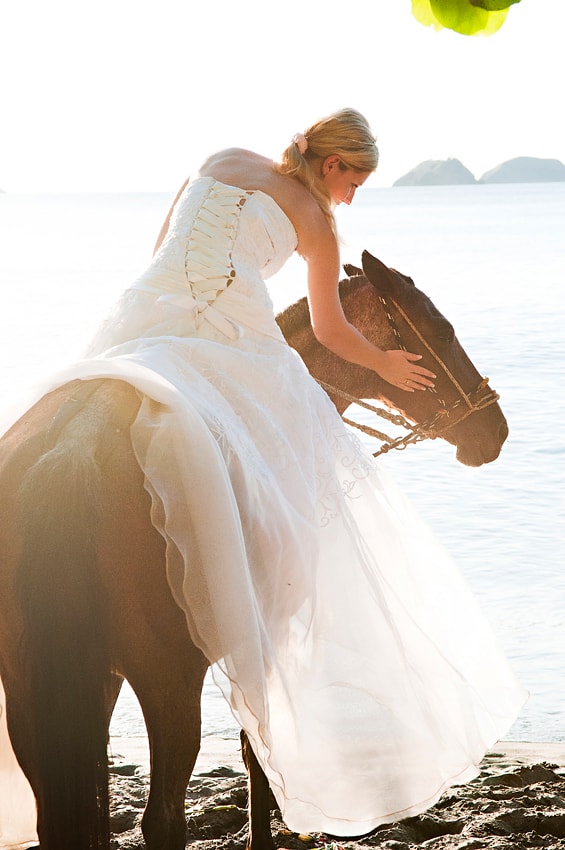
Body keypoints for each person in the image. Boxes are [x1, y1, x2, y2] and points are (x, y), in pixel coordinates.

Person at [0, 108, 526, 846]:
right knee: (295, 458)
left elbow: (161, 250)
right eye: (356, 181)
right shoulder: (315, 219)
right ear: (333, 166)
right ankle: (265, 611)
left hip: (142, 320)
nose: (352, 198)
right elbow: (331, 330)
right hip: (233, 335)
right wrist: (382, 365)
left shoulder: (220, 156)